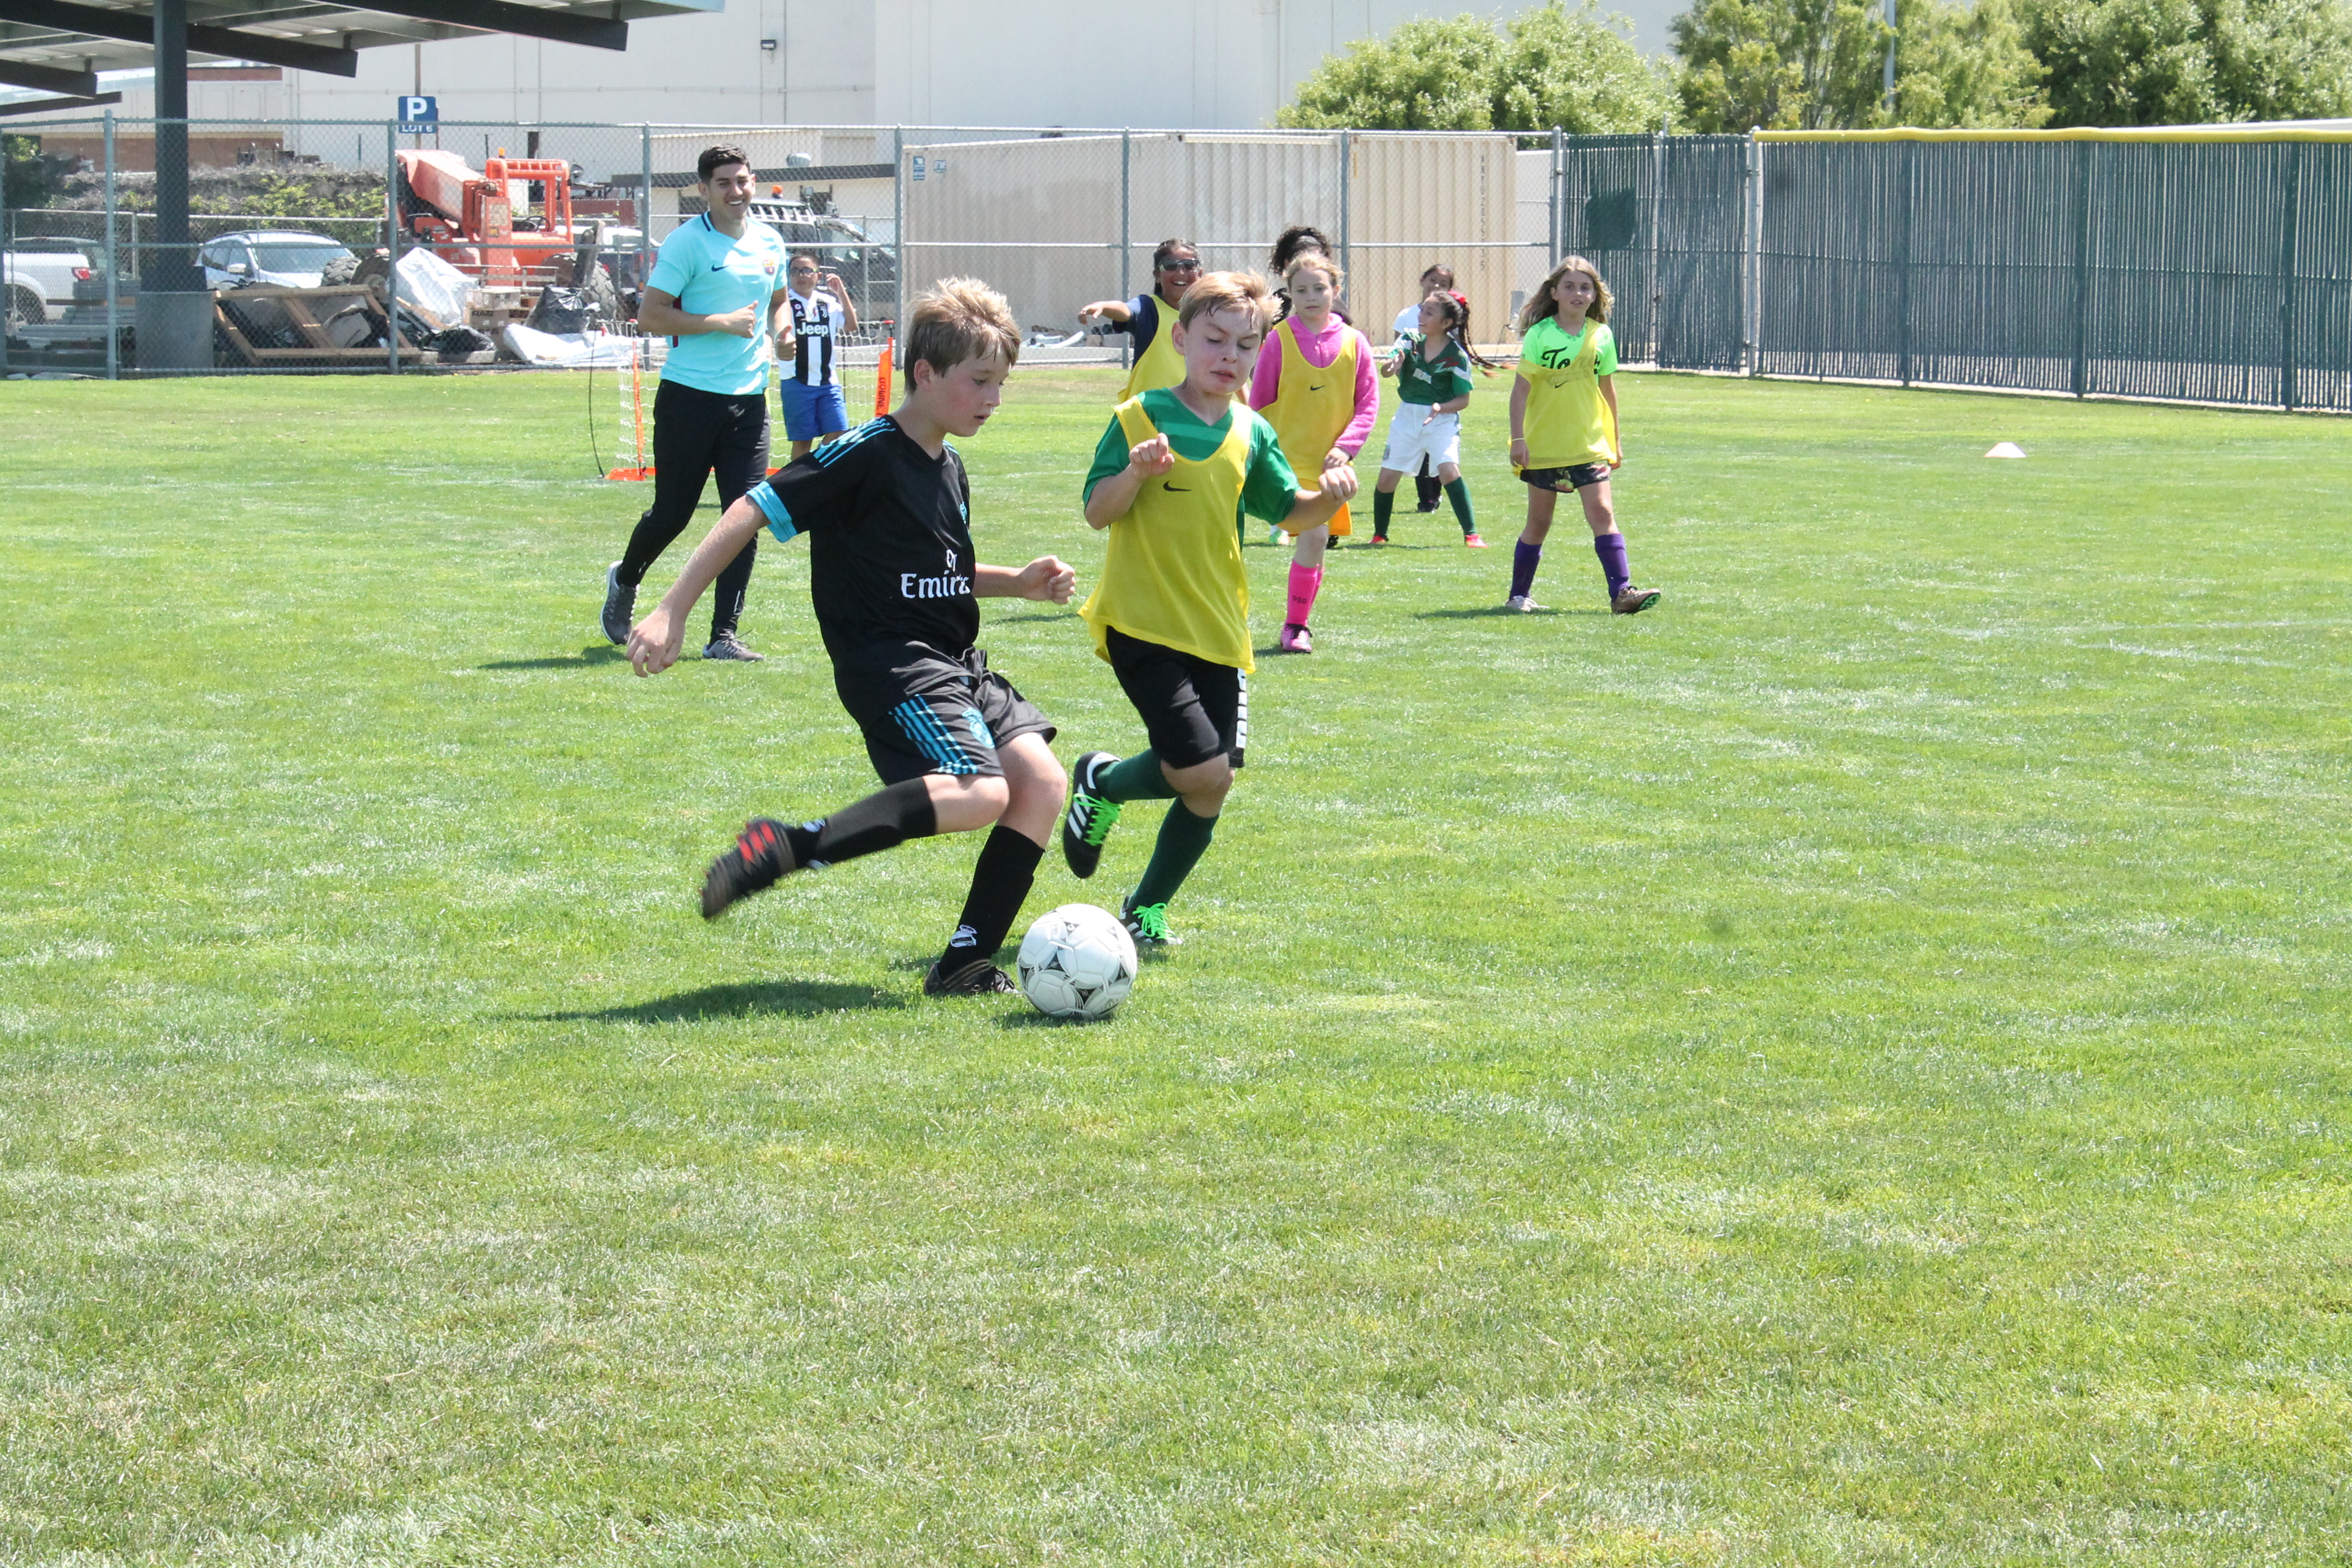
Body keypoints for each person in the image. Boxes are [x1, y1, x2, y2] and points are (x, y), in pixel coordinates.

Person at [624, 279, 1079, 998]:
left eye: (1002, 383)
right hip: (892, 666)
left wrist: (1018, 582)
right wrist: (674, 609)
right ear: (925, 375)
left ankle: (962, 963)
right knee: (982, 792)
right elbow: (752, 506)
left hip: (956, 663)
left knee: (1043, 784)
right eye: (980, 381)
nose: (994, 398)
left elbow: (940, 573)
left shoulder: (950, 467)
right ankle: (788, 846)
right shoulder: (864, 453)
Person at [1059, 271, 1357, 948]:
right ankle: (1103, 782)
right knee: (1200, 769)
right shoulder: (1138, 416)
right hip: (1141, 621)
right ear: (1181, 338)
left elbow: (1289, 510)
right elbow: (1096, 512)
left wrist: (1330, 491)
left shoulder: (1252, 431)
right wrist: (1135, 472)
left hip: (1219, 627)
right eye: (1214, 340)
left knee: (1210, 788)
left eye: (1244, 346)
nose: (1229, 356)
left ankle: (1143, 903)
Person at [601, 144, 792, 662]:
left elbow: (778, 303)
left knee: (747, 514)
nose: (737, 191)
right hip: (689, 399)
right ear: (704, 191)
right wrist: (718, 323)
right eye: (725, 183)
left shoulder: (771, 242)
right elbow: (650, 316)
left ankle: (723, 637)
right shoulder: (687, 244)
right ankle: (626, 578)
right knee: (673, 513)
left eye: (743, 180)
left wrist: (784, 333)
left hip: (749, 403)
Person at [1506, 255, 1659, 616]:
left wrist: (1615, 440)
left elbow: (1608, 391)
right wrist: (1519, 440)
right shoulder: (1541, 335)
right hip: (1546, 443)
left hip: (1588, 444)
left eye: (1585, 287)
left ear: (1595, 296)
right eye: (1570, 286)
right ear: (1555, 292)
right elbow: (1520, 392)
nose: (1578, 293)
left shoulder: (1601, 335)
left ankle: (1622, 593)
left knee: (1603, 511)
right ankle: (1517, 596)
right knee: (1539, 522)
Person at [1247, 251, 1376, 654]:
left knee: (1316, 542)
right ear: (1290, 295)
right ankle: (1295, 626)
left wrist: (1345, 447)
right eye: (1301, 290)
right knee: (1315, 534)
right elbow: (1258, 403)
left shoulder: (1356, 343)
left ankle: (1298, 622)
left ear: (1336, 291)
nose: (1311, 296)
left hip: (1330, 467)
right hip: (1285, 463)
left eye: (1320, 288)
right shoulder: (1277, 341)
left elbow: (1368, 405)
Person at [1370, 288, 1495, 548]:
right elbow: (1387, 369)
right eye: (1422, 309)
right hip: (1407, 418)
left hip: (1441, 421)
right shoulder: (1410, 340)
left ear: (1447, 323)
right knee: (1386, 480)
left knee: (1449, 471)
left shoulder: (1456, 356)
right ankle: (1380, 535)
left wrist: (1440, 407)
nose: (1421, 315)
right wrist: (1392, 365)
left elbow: (1464, 400)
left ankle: (1471, 534)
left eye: (1429, 312)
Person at [1077, 238, 1201, 402]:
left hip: (1190, 411)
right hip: (1145, 412)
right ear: (1157, 275)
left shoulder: (1209, 315)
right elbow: (1126, 310)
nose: (1181, 273)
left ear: (1200, 273)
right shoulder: (1149, 308)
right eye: (1170, 266)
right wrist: (1104, 306)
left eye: (1189, 265)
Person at [776, 250, 860, 461]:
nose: (801, 275)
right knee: (803, 441)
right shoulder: (784, 304)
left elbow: (851, 325)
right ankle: (796, 485)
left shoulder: (828, 303)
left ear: (818, 276)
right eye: (795, 271)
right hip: (796, 381)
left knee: (840, 432)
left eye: (807, 270)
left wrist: (841, 292)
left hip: (827, 382)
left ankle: (813, 471)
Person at [1392, 264, 1456, 513]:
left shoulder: (1449, 318)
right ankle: (1423, 498)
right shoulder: (1406, 315)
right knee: (1414, 444)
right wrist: (1399, 370)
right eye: (1433, 280)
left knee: (1435, 446)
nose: (1437, 286)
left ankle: (1431, 497)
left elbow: (1452, 351)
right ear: (1422, 280)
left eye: (1444, 283)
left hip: (1439, 390)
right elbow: (1399, 348)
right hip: (1413, 391)